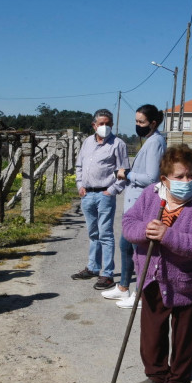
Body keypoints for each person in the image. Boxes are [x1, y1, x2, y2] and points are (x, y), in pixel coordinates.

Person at [122, 144, 192, 383]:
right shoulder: (150, 197)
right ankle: (156, 375)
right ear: (165, 179)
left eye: (191, 175)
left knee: (184, 336)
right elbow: (128, 225)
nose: (187, 181)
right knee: (151, 333)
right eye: (180, 176)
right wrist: (145, 230)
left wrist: (168, 235)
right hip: (151, 278)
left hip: (187, 282)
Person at [101, 104, 166, 307]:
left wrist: (126, 174)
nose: (137, 125)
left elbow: (151, 177)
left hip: (142, 206)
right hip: (134, 206)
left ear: (153, 123)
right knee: (125, 246)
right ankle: (123, 288)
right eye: (136, 121)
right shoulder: (150, 140)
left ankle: (140, 293)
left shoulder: (155, 142)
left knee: (138, 251)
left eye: (141, 122)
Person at [71, 109, 129, 290]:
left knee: (105, 234)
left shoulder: (118, 144)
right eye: (101, 123)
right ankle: (93, 267)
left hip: (104, 194)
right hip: (87, 194)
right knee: (93, 233)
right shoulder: (87, 142)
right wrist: (79, 185)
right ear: (94, 125)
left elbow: (124, 171)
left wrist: (112, 190)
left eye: (108, 123)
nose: (105, 127)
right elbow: (79, 165)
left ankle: (107, 273)